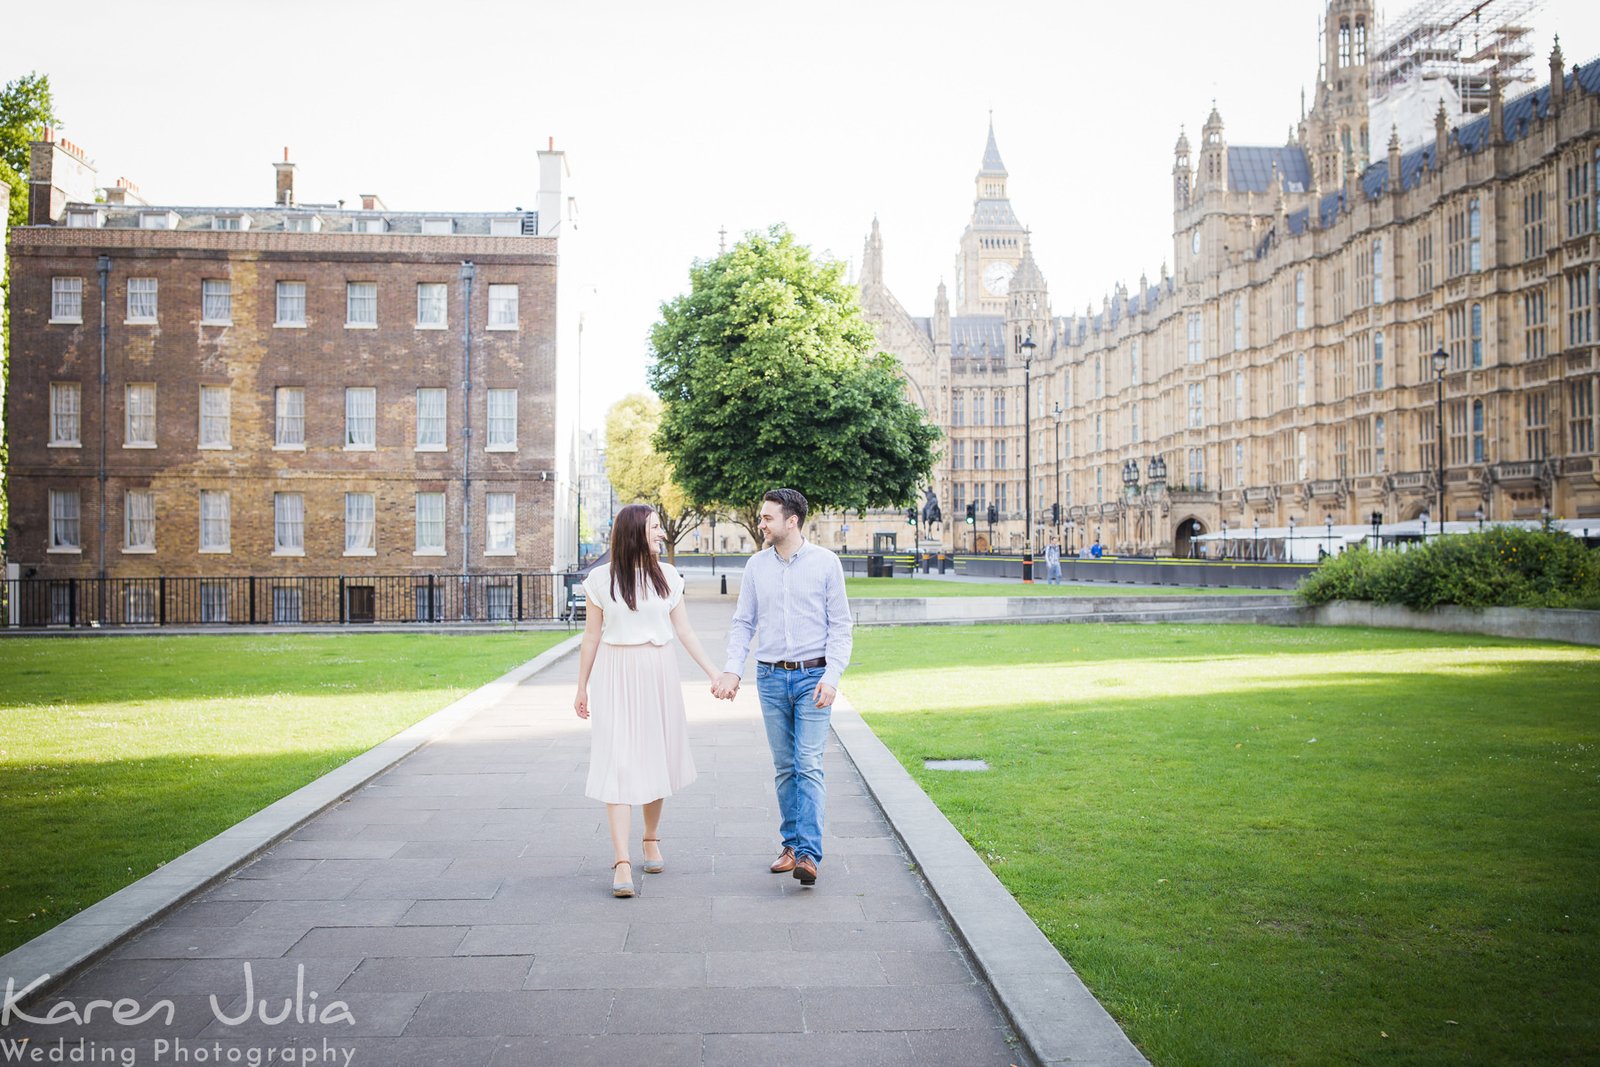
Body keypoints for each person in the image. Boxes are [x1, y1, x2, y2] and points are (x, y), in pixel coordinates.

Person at [574, 504, 721, 898]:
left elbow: (685, 631)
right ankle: (621, 861)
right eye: (655, 528)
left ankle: (650, 837)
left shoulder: (669, 576)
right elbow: (591, 637)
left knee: (655, 756)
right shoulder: (600, 580)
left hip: (658, 672)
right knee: (618, 762)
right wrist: (581, 686)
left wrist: (713, 672)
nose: (661, 534)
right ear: (636, 531)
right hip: (616, 673)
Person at [713, 488, 852, 887]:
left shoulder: (827, 564)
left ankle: (808, 854)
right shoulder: (757, 566)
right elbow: (743, 623)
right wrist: (732, 670)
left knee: (809, 764)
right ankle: (790, 845)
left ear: (791, 521)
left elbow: (841, 627)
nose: (761, 524)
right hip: (771, 678)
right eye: (761, 517)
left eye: (767, 518)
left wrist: (832, 677)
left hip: (813, 678)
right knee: (785, 767)